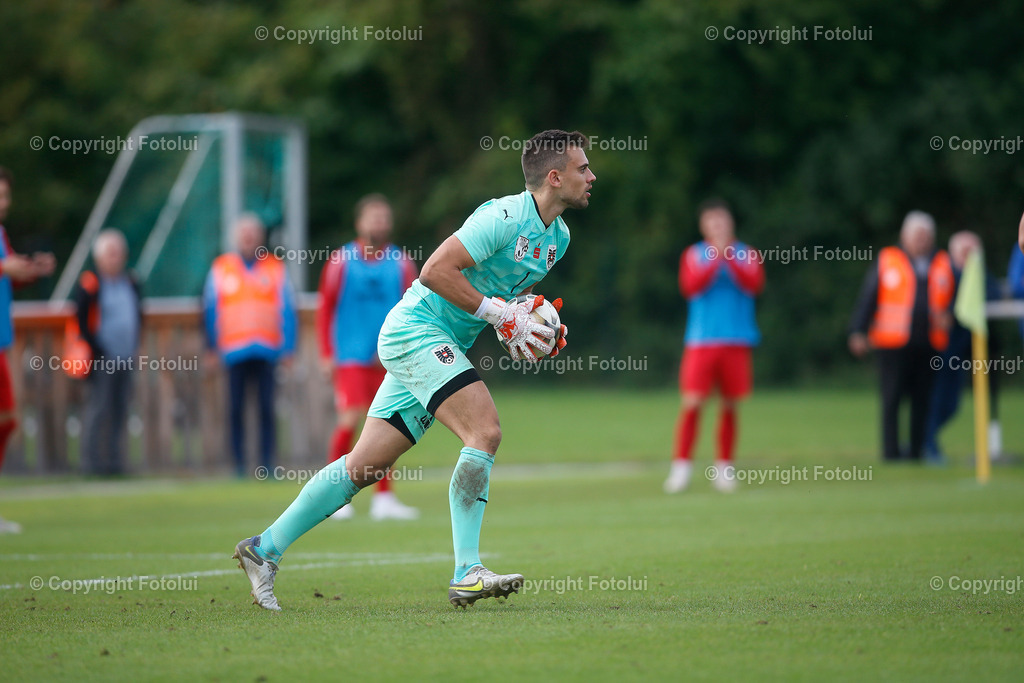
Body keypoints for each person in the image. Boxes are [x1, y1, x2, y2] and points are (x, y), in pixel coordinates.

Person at [233, 129, 585, 610]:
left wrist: (531, 324)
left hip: (440, 341)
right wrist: (502, 316)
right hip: (416, 330)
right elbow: (434, 272)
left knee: (364, 466)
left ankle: (263, 548)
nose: (591, 176)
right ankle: (467, 571)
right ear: (555, 177)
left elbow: (496, 298)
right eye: (583, 168)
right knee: (484, 431)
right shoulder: (503, 217)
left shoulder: (558, 239)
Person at [317, 194, 419, 520]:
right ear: (359, 223)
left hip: (388, 358)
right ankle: (331, 496)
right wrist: (326, 353)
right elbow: (325, 308)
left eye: (384, 218)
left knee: (389, 425)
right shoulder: (340, 261)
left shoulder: (401, 262)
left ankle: (384, 498)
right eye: (373, 218)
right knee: (350, 418)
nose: (380, 223)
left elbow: (414, 308)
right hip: (350, 357)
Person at [663, 200, 764, 494]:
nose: (718, 226)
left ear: (730, 223)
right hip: (702, 340)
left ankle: (724, 469)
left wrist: (728, 257)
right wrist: (715, 259)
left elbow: (753, 284)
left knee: (730, 404)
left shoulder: (747, 253)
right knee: (693, 403)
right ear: (703, 226)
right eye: (712, 221)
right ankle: (681, 468)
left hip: (736, 339)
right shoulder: (694, 254)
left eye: (722, 220)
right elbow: (691, 286)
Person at [848, 211, 954, 462]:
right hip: (892, 342)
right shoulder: (888, 259)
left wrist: (950, 314)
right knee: (892, 397)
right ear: (904, 236)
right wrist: (857, 330)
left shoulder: (942, 262)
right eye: (917, 235)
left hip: (929, 342)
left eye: (925, 236)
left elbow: (954, 297)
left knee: (922, 399)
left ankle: (917, 451)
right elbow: (868, 296)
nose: (921, 240)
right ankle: (891, 452)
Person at [203, 214, 297, 477]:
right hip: (233, 352)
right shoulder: (221, 267)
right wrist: (211, 347)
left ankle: (267, 464)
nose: (248, 238)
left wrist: (288, 349)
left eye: (253, 234)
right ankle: (239, 465)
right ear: (236, 238)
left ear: (261, 237)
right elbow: (209, 309)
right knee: (235, 410)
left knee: (267, 409)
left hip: (267, 350)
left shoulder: (275, 267)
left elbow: (288, 310)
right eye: (244, 234)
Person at [0, 166, 56, 532]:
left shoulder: (1, 233)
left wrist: (31, 269)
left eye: (6, 195)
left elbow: (10, 277)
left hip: (1, 338)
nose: (5, 202)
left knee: (8, 420)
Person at [925, 231, 1001, 464]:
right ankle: (927, 445)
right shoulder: (942, 271)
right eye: (965, 251)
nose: (970, 256)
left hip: (962, 350)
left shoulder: (978, 274)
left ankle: (925, 441)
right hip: (939, 348)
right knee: (936, 400)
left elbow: (994, 294)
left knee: (952, 404)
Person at [74, 229, 142, 476]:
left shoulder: (130, 282)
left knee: (120, 410)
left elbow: (138, 314)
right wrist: (97, 349)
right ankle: (91, 463)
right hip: (102, 358)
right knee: (98, 409)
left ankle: (115, 462)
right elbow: (81, 320)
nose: (116, 258)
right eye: (110, 253)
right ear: (100, 257)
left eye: (119, 253)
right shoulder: (91, 283)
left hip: (126, 355)